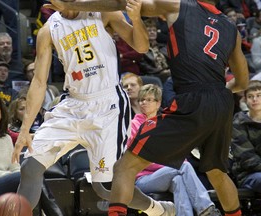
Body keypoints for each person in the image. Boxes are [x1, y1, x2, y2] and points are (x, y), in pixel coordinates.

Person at [44, 0, 249, 215]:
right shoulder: (230, 27)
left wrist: (72, 5)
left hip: (192, 96)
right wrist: (213, 94)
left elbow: (125, 3)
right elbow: (243, 82)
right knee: (217, 172)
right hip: (222, 100)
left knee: (125, 167)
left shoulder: (178, 6)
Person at [11, 2, 177, 216]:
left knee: (106, 188)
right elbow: (39, 82)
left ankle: (157, 210)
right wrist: (25, 130)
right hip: (73, 104)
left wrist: (135, 19)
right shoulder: (48, 30)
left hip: (107, 105)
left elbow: (142, 47)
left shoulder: (103, 10)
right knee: (30, 166)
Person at [131, 84, 221, 216]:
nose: (144, 103)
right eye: (141, 100)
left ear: (158, 103)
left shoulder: (166, 125)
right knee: (183, 167)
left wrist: (169, 162)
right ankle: (207, 209)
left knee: (179, 180)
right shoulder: (134, 125)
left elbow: (178, 153)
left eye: (149, 99)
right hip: (142, 179)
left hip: (168, 173)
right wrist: (169, 163)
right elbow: (141, 157)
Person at [0, 93, 64, 216]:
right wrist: (12, 176)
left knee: (32, 177)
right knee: (31, 175)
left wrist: (15, 175)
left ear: (1, 111)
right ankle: (55, 213)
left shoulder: (6, 138)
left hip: (9, 181)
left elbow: (14, 165)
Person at [231, 80, 261, 194]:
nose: (255, 99)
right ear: (245, 99)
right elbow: (247, 158)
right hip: (248, 174)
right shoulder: (238, 123)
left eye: (259, 96)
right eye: (250, 96)